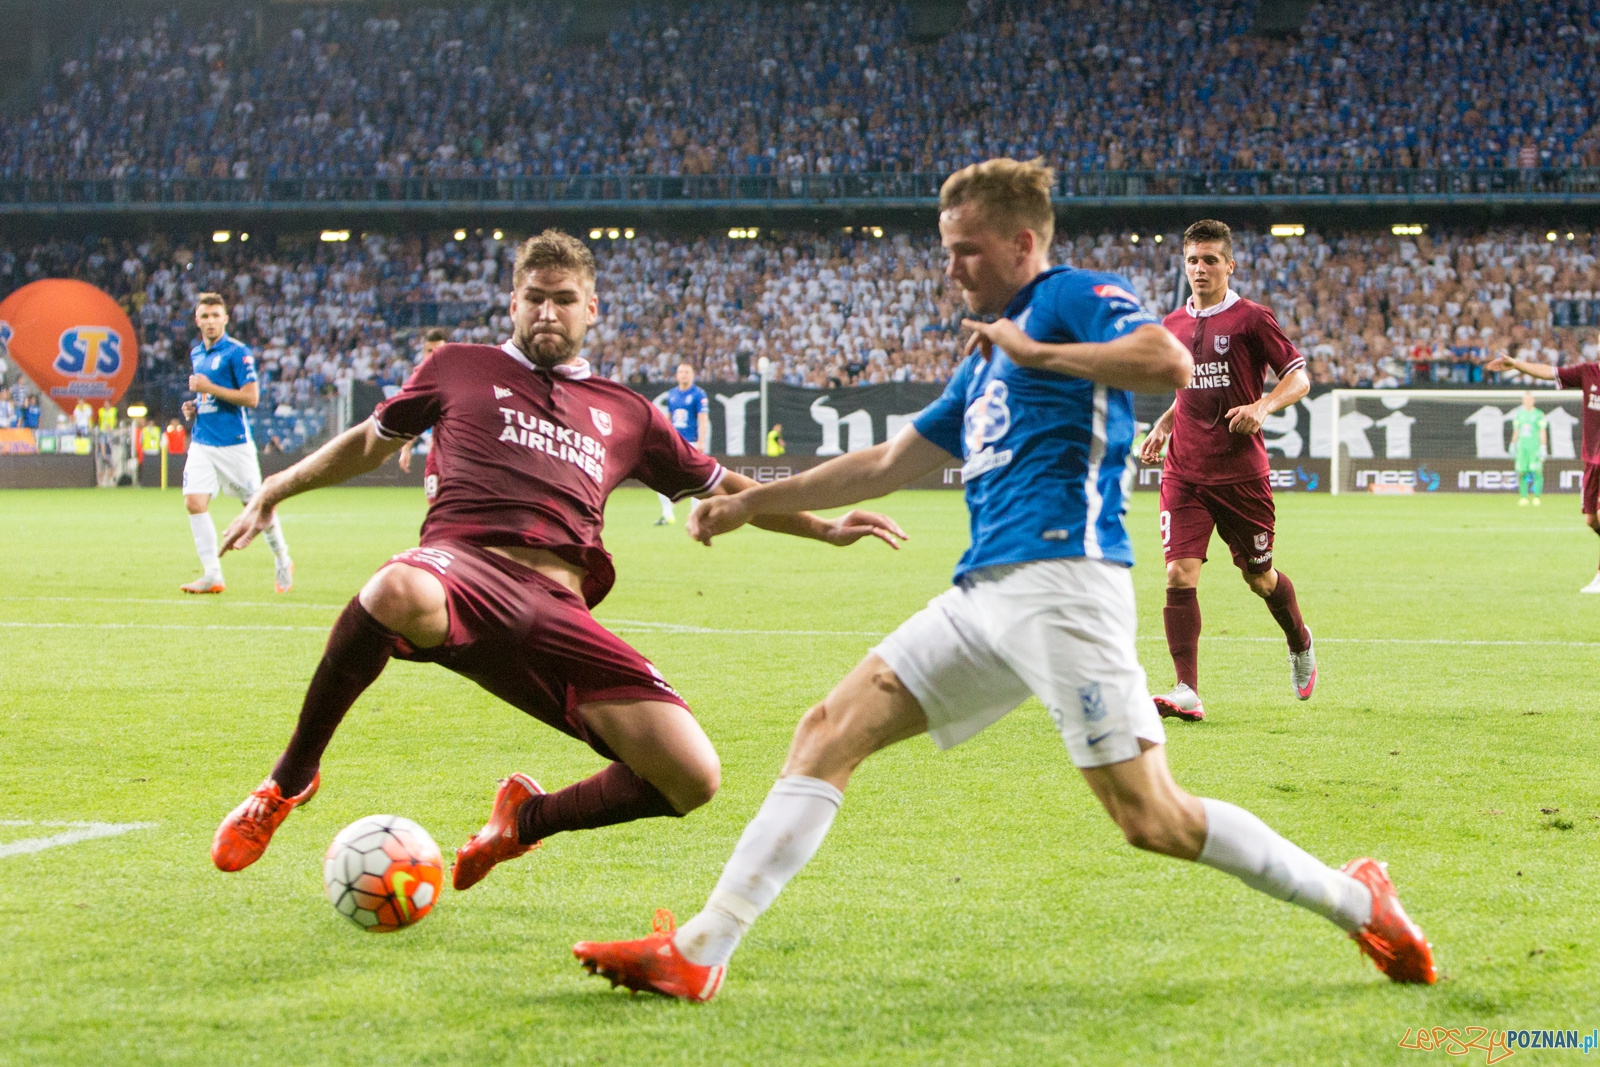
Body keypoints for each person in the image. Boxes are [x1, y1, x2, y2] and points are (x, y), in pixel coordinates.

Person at [573, 159, 1434, 1001]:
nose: (950, 267)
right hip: (986, 594)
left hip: (1066, 584)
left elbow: (1165, 364)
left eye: (967, 249)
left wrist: (1039, 351)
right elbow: (886, 460)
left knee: (1153, 818)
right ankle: (700, 948)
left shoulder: (1068, 299)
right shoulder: (984, 358)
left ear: (1024, 242)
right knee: (829, 730)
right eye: (946, 248)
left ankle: (1360, 899)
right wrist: (751, 503)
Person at [208, 229, 903, 887]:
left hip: (560, 611)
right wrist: (278, 484)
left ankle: (523, 819)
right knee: (395, 588)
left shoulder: (630, 414)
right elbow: (370, 440)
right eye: (534, 297)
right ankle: (291, 778)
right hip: (462, 572)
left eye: (564, 299)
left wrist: (827, 527)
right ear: (512, 303)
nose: (547, 311)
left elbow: (730, 490)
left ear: (591, 309)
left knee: (693, 776)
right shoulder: (458, 366)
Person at [1137, 220, 1315, 723]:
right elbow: (1189, 387)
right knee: (1178, 573)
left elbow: (1299, 379)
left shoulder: (1252, 319)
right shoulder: (1171, 323)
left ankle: (1298, 639)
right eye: (1193, 260)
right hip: (1185, 471)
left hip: (1240, 475)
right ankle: (1187, 689)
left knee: (1259, 578)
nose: (1200, 269)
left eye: (1211, 259)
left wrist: (1263, 405)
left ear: (1229, 265)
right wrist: (1165, 424)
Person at [178, 293, 293, 595]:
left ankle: (282, 557)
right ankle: (212, 574)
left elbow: (251, 398)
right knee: (193, 502)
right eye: (205, 316)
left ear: (226, 318)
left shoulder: (237, 352)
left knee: (256, 507)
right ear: (197, 321)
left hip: (233, 443)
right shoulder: (197, 353)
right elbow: (209, 397)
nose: (211, 321)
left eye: (216, 315)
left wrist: (208, 387)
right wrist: (195, 405)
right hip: (202, 440)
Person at [1487, 352, 1600, 592]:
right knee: (1592, 520)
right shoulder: (1588, 372)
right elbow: (1549, 372)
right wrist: (1517, 364)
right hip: (1592, 459)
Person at [656, 362, 709, 525]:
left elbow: (703, 419)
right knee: (661, 477)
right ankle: (667, 515)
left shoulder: (699, 394)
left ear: (692, 375)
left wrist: (701, 442)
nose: (684, 375)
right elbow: (668, 420)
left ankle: (695, 516)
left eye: (687, 372)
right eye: (681, 372)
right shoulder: (672, 394)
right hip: (674, 443)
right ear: (677, 375)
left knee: (695, 479)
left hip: (692, 442)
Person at [397, 328, 451, 475]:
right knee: (434, 495)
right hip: (439, 450)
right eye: (429, 350)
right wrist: (406, 448)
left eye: (438, 350)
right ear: (423, 352)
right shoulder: (419, 380)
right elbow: (415, 416)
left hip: (462, 451)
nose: (433, 355)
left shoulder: (459, 375)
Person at [1509, 391, 1548, 506]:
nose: (1528, 401)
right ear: (1523, 401)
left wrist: (1543, 446)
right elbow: (1517, 430)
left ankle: (1536, 496)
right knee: (1522, 472)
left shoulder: (1539, 414)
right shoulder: (1519, 414)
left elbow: (1542, 431)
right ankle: (1523, 496)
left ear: (1533, 401)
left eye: (1530, 399)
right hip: (1522, 447)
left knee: (1536, 471)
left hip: (1534, 447)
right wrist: (1513, 444)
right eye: (1526, 399)